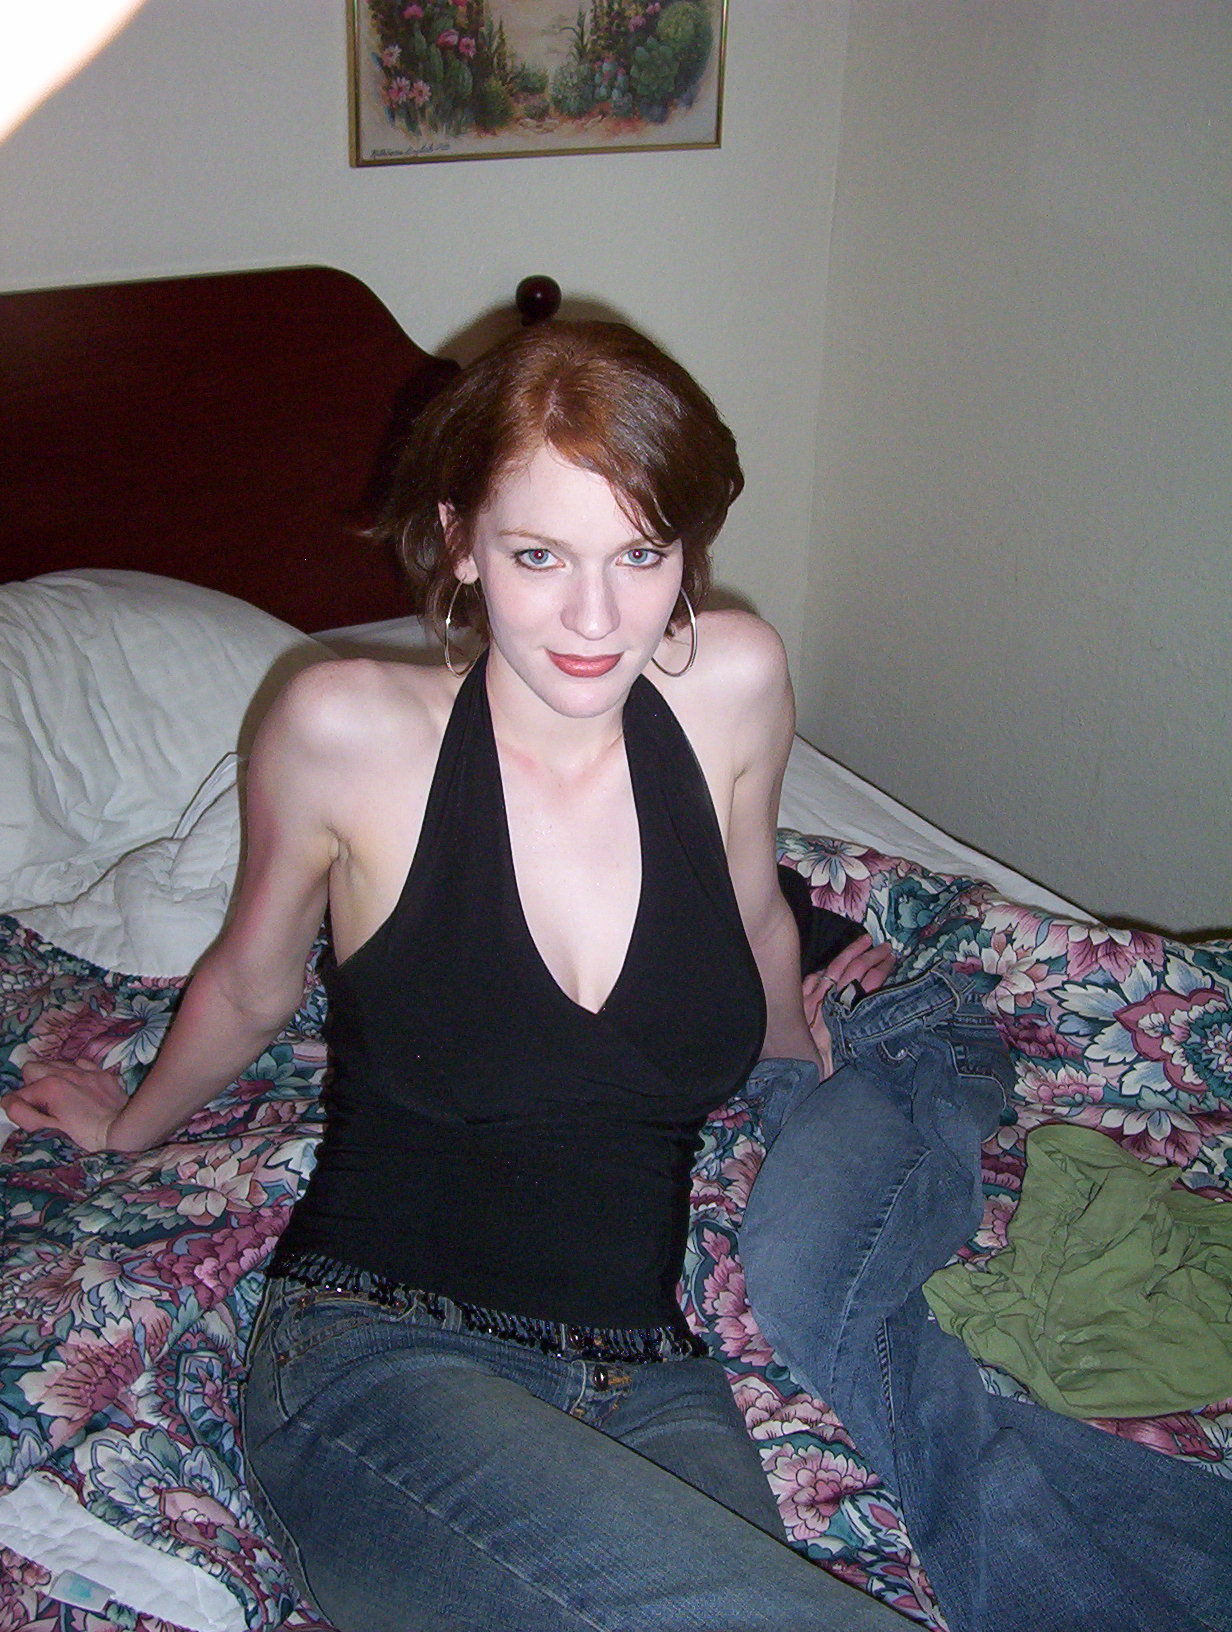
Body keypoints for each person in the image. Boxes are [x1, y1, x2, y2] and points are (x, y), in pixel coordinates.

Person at [4, 319, 901, 1632]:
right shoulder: (346, 728)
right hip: (381, 1355)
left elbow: (754, 912)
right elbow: (254, 984)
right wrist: (130, 1125)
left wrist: (797, 1060)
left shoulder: (738, 682)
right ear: (463, 541)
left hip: (653, 1375)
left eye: (640, 554)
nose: (596, 618)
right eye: (539, 556)